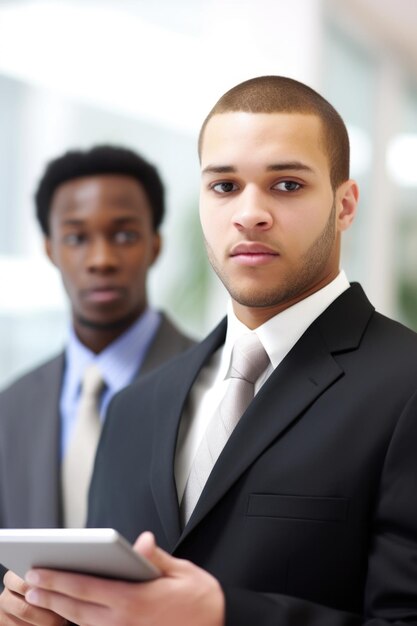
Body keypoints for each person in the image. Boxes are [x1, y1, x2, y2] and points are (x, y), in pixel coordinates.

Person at [2, 76, 417, 626]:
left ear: (345, 205)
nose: (249, 213)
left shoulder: (405, 385)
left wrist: (223, 616)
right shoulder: (134, 409)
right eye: (224, 186)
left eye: (287, 185)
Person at [0, 145, 194, 532]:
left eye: (124, 235)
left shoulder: (211, 382)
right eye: (76, 238)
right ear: (50, 250)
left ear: (154, 245)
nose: (101, 259)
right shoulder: (12, 407)